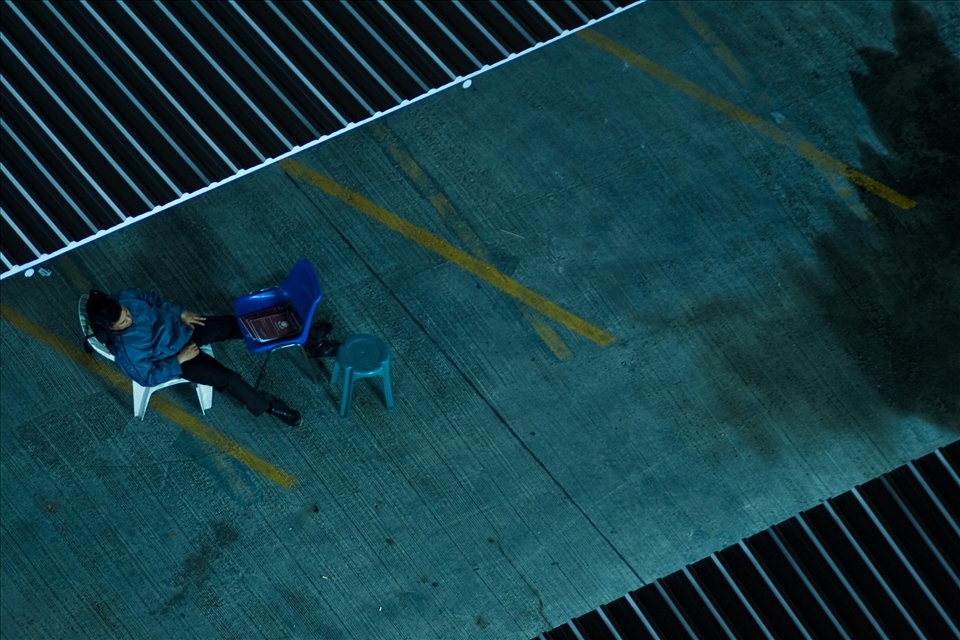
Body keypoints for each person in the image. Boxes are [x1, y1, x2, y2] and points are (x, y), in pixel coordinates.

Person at [83, 288, 303, 426]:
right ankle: (269, 407)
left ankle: (290, 330)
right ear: (110, 329)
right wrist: (179, 359)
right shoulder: (126, 352)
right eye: (123, 322)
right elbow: (148, 377)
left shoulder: (124, 296)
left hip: (183, 328)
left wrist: (180, 312)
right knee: (229, 379)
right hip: (179, 358)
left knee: (234, 324)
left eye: (126, 312)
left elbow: (153, 298)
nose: (129, 318)